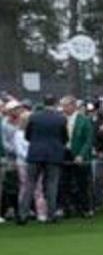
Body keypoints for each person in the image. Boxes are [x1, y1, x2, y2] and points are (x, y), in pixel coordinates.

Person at [19, 96, 68, 224]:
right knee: (52, 184)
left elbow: (27, 135)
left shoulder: (34, 117)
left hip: (35, 153)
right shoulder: (60, 119)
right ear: (55, 103)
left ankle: (23, 215)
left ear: (43, 103)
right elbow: (65, 137)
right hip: (53, 154)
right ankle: (51, 215)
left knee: (30, 184)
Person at [63, 96, 95, 217]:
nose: (64, 108)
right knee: (65, 182)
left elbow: (88, 139)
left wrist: (81, 155)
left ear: (73, 105)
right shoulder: (62, 119)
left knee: (82, 183)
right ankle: (68, 208)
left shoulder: (84, 120)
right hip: (65, 153)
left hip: (79, 154)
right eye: (63, 106)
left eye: (66, 105)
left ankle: (85, 208)